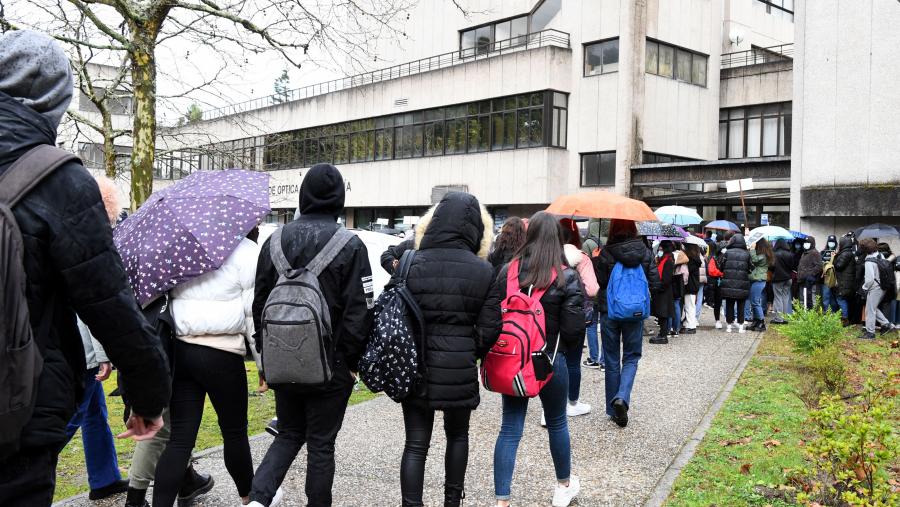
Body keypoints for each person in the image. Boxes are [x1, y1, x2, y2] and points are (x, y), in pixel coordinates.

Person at [0, 30, 170, 506]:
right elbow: (109, 302)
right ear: (57, 101)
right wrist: (147, 395)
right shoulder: (60, 182)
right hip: (19, 405)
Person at [248, 164, 374, 507]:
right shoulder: (350, 244)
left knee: (288, 433)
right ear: (339, 199)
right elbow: (360, 311)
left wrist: (265, 356)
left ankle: (257, 500)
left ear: (303, 196)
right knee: (321, 444)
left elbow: (259, 304)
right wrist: (350, 362)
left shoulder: (274, 242)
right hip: (332, 364)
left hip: (282, 359)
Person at [395, 192, 495, 507]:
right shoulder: (484, 271)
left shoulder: (411, 262)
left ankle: (411, 504)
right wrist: (469, 349)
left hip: (416, 366)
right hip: (459, 368)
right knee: (458, 435)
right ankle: (452, 500)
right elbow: (491, 328)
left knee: (415, 445)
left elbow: (397, 315)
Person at [481, 211, 584, 507]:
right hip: (550, 359)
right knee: (556, 422)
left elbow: (491, 315)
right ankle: (563, 486)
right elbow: (574, 330)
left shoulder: (508, 272)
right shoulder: (566, 277)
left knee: (510, 428)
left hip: (513, 360)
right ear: (557, 239)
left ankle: (502, 501)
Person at [151, 232, 260, 506]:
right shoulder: (245, 250)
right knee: (234, 432)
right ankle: (249, 498)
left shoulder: (178, 246)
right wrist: (262, 364)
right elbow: (252, 314)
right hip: (223, 353)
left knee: (180, 440)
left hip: (183, 349)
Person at [61, 176, 127, 501]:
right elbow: (92, 305)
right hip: (81, 347)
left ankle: (105, 478)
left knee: (94, 413)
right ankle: (20, 473)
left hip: (66, 342)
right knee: (69, 418)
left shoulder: (62, 234)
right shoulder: (88, 245)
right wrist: (103, 354)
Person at [593, 219, 661, 427]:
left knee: (611, 359)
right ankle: (622, 397)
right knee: (631, 357)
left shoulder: (606, 252)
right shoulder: (645, 252)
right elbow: (655, 283)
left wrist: (597, 259)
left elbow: (601, 282)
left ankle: (612, 409)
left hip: (610, 311)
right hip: (634, 312)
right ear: (633, 229)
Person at [560, 219, 599, 417]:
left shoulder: (548, 255)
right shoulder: (582, 258)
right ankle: (572, 403)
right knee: (573, 362)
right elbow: (592, 289)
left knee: (553, 358)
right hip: (577, 315)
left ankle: (550, 406)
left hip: (551, 315)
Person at [859, 239, 894, 339]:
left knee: (870, 310)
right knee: (872, 307)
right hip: (883, 286)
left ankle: (870, 333)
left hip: (874, 288)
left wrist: (864, 288)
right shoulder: (879, 255)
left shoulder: (868, 261)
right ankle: (886, 324)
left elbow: (869, 279)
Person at [719, 234, 752, 333]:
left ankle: (729, 326)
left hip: (728, 282)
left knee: (729, 304)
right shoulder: (747, 253)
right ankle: (741, 326)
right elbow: (751, 268)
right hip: (742, 283)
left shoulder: (727, 252)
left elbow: (721, 267)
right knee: (741, 305)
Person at [651, 241, 676, 344]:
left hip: (664, 291)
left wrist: (659, 287)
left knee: (663, 314)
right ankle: (662, 334)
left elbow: (666, 279)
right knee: (661, 314)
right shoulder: (663, 259)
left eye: (661, 249)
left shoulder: (668, 261)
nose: (659, 251)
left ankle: (663, 335)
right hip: (662, 291)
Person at [747, 238, 774, 332]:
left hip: (759, 280)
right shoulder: (763, 254)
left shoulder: (763, 255)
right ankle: (756, 321)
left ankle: (761, 322)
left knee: (755, 301)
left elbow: (754, 260)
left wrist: (752, 249)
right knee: (753, 301)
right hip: (756, 279)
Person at [832, 235, 858, 325]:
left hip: (843, 281)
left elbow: (839, 266)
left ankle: (844, 320)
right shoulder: (849, 253)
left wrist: (834, 257)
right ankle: (844, 318)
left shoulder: (845, 254)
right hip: (846, 281)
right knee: (843, 300)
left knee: (841, 299)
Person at [771, 239, 796, 324]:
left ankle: (779, 318)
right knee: (785, 297)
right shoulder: (790, 254)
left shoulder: (775, 254)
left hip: (778, 278)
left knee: (778, 297)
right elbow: (792, 266)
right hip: (788, 278)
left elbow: (771, 266)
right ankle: (784, 317)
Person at [682, 244, 702, 334]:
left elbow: (687, 271)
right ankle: (689, 324)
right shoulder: (696, 260)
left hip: (690, 286)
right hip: (693, 285)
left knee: (689, 306)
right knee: (690, 305)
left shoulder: (691, 261)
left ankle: (691, 326)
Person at [797, 236, 822, 309]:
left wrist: (810, 274)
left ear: (812, 244)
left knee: (811, 299)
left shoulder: (815, 253)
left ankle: (813, 313)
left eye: (808, 243)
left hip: (810, 281)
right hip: (802, 280)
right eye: (805, 243)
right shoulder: (804, 253)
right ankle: (803, 313)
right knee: (802, 299)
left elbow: (819, 266)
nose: (806, 244)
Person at [706, 242, 725, 329]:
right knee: (718, 302)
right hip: (718, 282)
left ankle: (726, 319)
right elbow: (711, 271)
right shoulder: (714, 258)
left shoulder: (716, 257)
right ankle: (718, 320)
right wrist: (721, 274)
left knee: (721, 302)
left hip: (722, 281)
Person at [820, 235, 839, 313]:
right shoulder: (822, 253)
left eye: (833, 242)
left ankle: (832, 312)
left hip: (835, 278)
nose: (831, 243)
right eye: (830, 242)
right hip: (825, 278)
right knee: (826, 296)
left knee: (832, 297)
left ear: (835, 243)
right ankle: (827, 313)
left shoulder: (838, 253)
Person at [671, 245, 688, 336]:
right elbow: (685, 275)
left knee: (670, 305)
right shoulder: (683, 256)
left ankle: (669, 327)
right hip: (679, 284)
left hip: (671, 283)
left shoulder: (670, 255)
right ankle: (676, 328)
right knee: (677, 305)